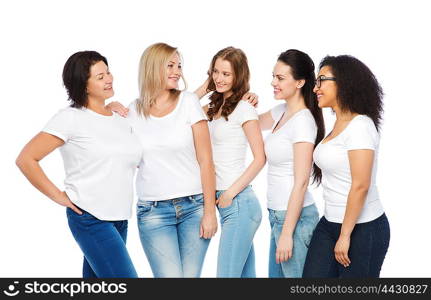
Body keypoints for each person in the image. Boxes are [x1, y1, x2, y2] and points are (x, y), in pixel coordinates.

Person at [15, 51, 142, 278]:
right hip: (90, 217)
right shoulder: (70, 118)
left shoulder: (119, 117)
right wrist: (59, 196)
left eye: (108, 72)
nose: (109, 79)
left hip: (120, 218)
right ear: (84, 85)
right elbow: (26, 159)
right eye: (100, 77)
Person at [111, 43, 217, 278]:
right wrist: (108, 110)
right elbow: (122, 155)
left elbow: (206, 161)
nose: (177, 71)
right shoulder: (133, 111)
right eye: (170, 65)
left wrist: (210, 212)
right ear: (152, 68)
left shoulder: (189, 102)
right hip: (153, 211)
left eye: (179, 66)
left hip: (194, 207)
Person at [302, 55, 390, 278]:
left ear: (344, 82)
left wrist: (345, 235)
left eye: (322, 80)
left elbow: (360, 185)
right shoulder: (338, 124)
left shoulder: (360, 125)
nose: (316, 88)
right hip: (330, 222)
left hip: (362, 228)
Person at [194, 47, 265, 277]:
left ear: (238, 76)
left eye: (226, 73)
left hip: (238, 203)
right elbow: (182, 110)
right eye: (215, 71)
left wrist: (229, 194)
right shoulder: (211, 108)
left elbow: (260, 158)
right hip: (226, 203)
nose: (219, 78)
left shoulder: (245, 108)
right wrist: (208, 85)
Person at [255, 49, 324, 277]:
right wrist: (247, 104)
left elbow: (301, 181)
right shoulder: (281, 111)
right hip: (278, 217)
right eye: (274, 76)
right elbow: (249, 123)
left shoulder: (303, 122)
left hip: (295, 221)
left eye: (280, 78)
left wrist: (286, 234)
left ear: (300, 82)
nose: (273, 82)